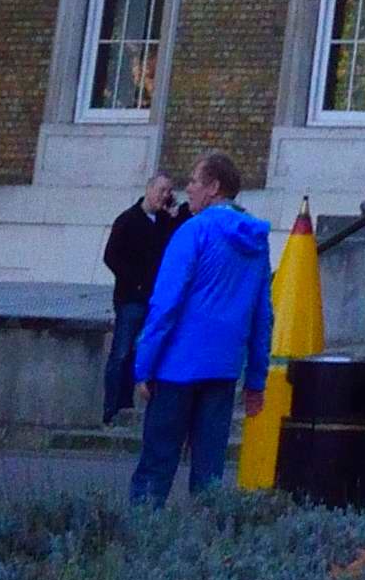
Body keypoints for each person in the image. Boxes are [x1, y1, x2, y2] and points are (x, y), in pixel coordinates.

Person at [126, 149, 270, 507]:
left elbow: (166, 305)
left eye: (193, 181)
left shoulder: (193, 231)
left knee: (156, 468)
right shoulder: (256, 240)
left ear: (213, 187)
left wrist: (144, 365)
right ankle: (206, 535)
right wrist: (255, 380)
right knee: (209, 476)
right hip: (223, 368)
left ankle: (142, 533)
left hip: (176, 367)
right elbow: (262, 315)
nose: (187, 188)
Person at [101, 173, 179, 418]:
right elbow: (111, 256)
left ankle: (128, 405)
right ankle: (112, 407)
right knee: (122, 352)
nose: (165, 196)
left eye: (169, 192)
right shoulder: (127, 220)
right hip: (130, 298)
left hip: (155, 298)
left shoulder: (165, 222)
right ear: (149, 189)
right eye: (161, 190)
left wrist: (173, 213)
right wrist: (134, 281)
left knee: (143, 350)